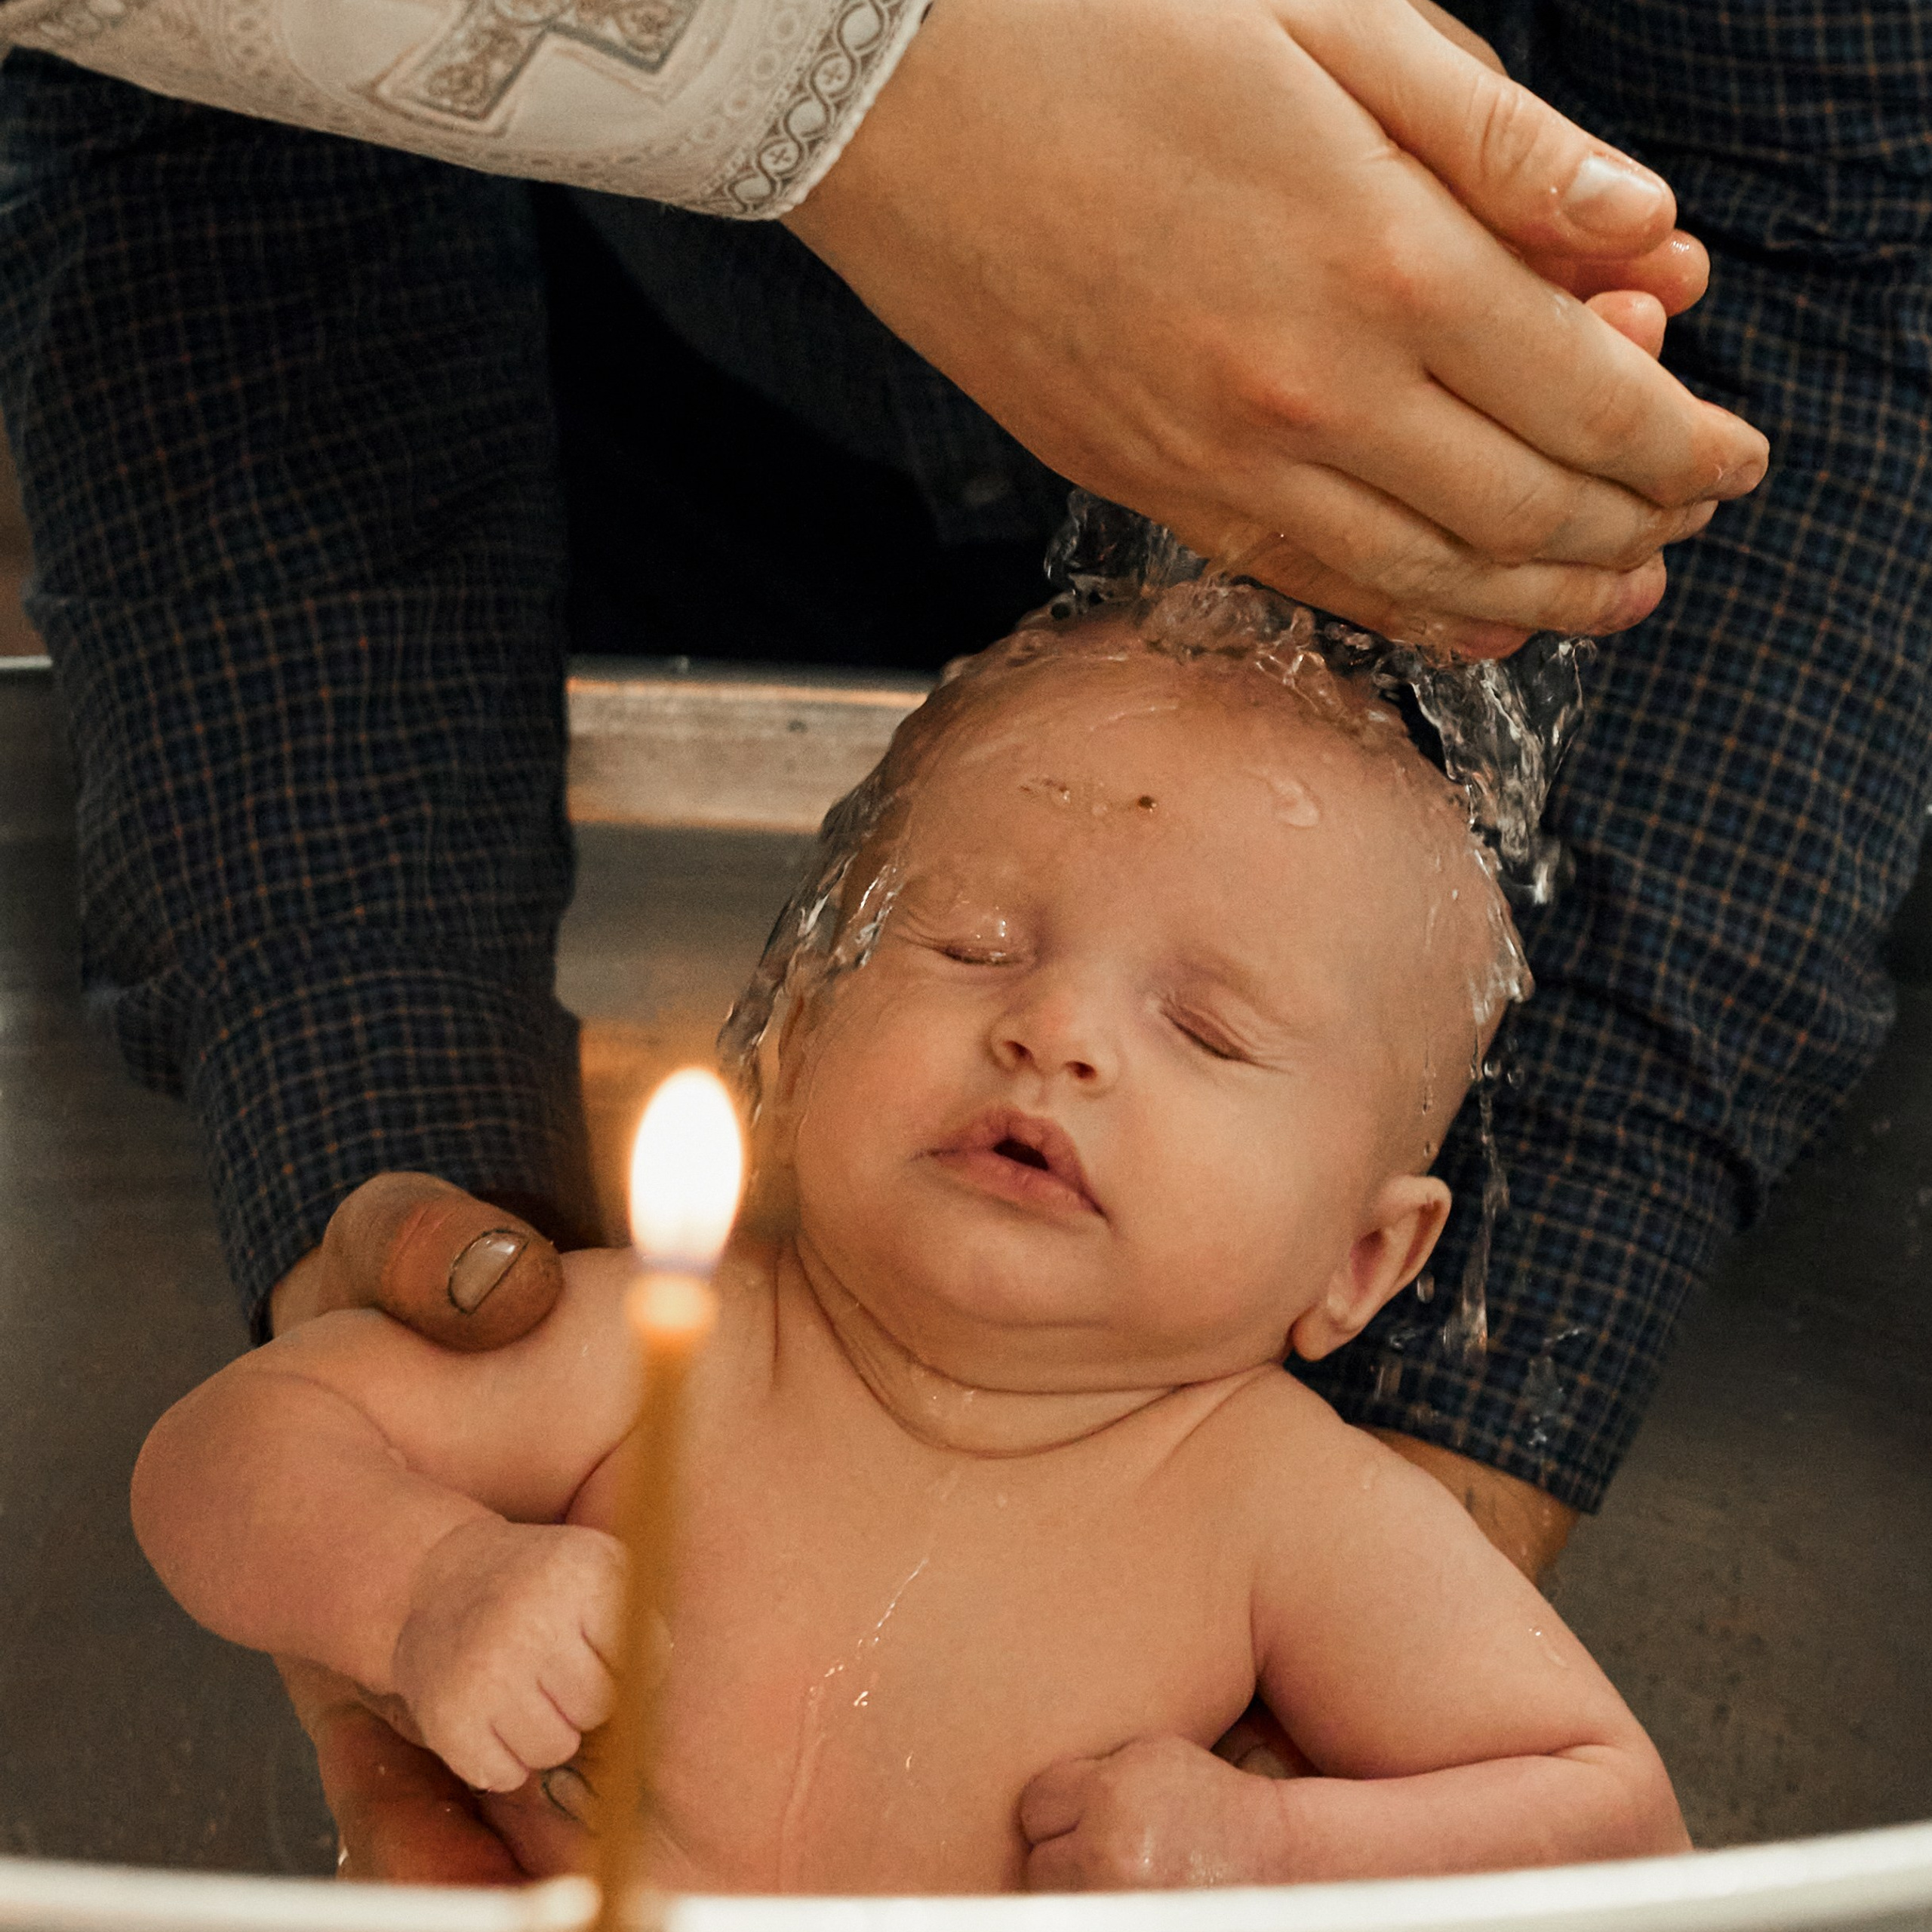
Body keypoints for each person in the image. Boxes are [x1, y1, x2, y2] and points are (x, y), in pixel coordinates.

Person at [132, 612, 1690, 1892]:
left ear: (1360, 1259)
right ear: (798, 1033)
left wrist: (1278, 1847)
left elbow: (1615, 1822)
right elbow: (223, 1447)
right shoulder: (665, 1351)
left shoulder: (1282, 1511)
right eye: (970, 947)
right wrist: (426, 1581)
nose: (1054, 1030)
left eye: (1204, 1028)